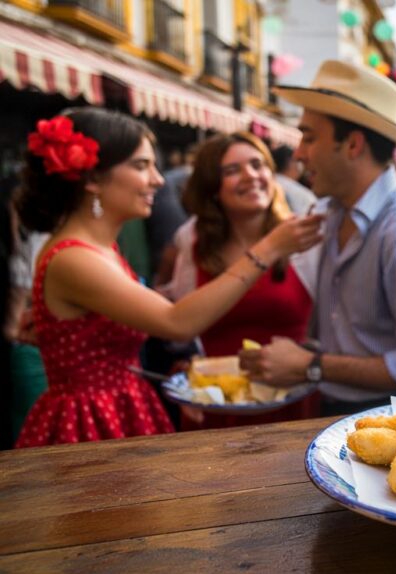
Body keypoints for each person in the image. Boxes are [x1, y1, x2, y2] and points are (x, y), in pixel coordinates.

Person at [12, 108, 324, 447]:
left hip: (116, 410)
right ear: (93, 178)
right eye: (141, 165)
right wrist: (268, 249)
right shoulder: (75, 257)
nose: (158, 180)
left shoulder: (97, 249)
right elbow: (177, 322)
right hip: (92, 423)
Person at [240, 60, 396, 414]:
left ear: (353, 145)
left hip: (392, 420)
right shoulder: (330, 212)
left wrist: (310, 364)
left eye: (309, 137)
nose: (298, 153)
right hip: (335, 409)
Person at [159, 132, 320, 429]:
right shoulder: (193, 240)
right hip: (217, 405)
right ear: (212, 188)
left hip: (293, 404)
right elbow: (181, 327)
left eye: (258, 165)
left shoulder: (303, 237)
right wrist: (190, 368)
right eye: (232, 171)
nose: (251, 176)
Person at [270, 144, 318, 215]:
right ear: (291, 162)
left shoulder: (263, 184)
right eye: (299, 160)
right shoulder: (303, 195)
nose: (302, 165)